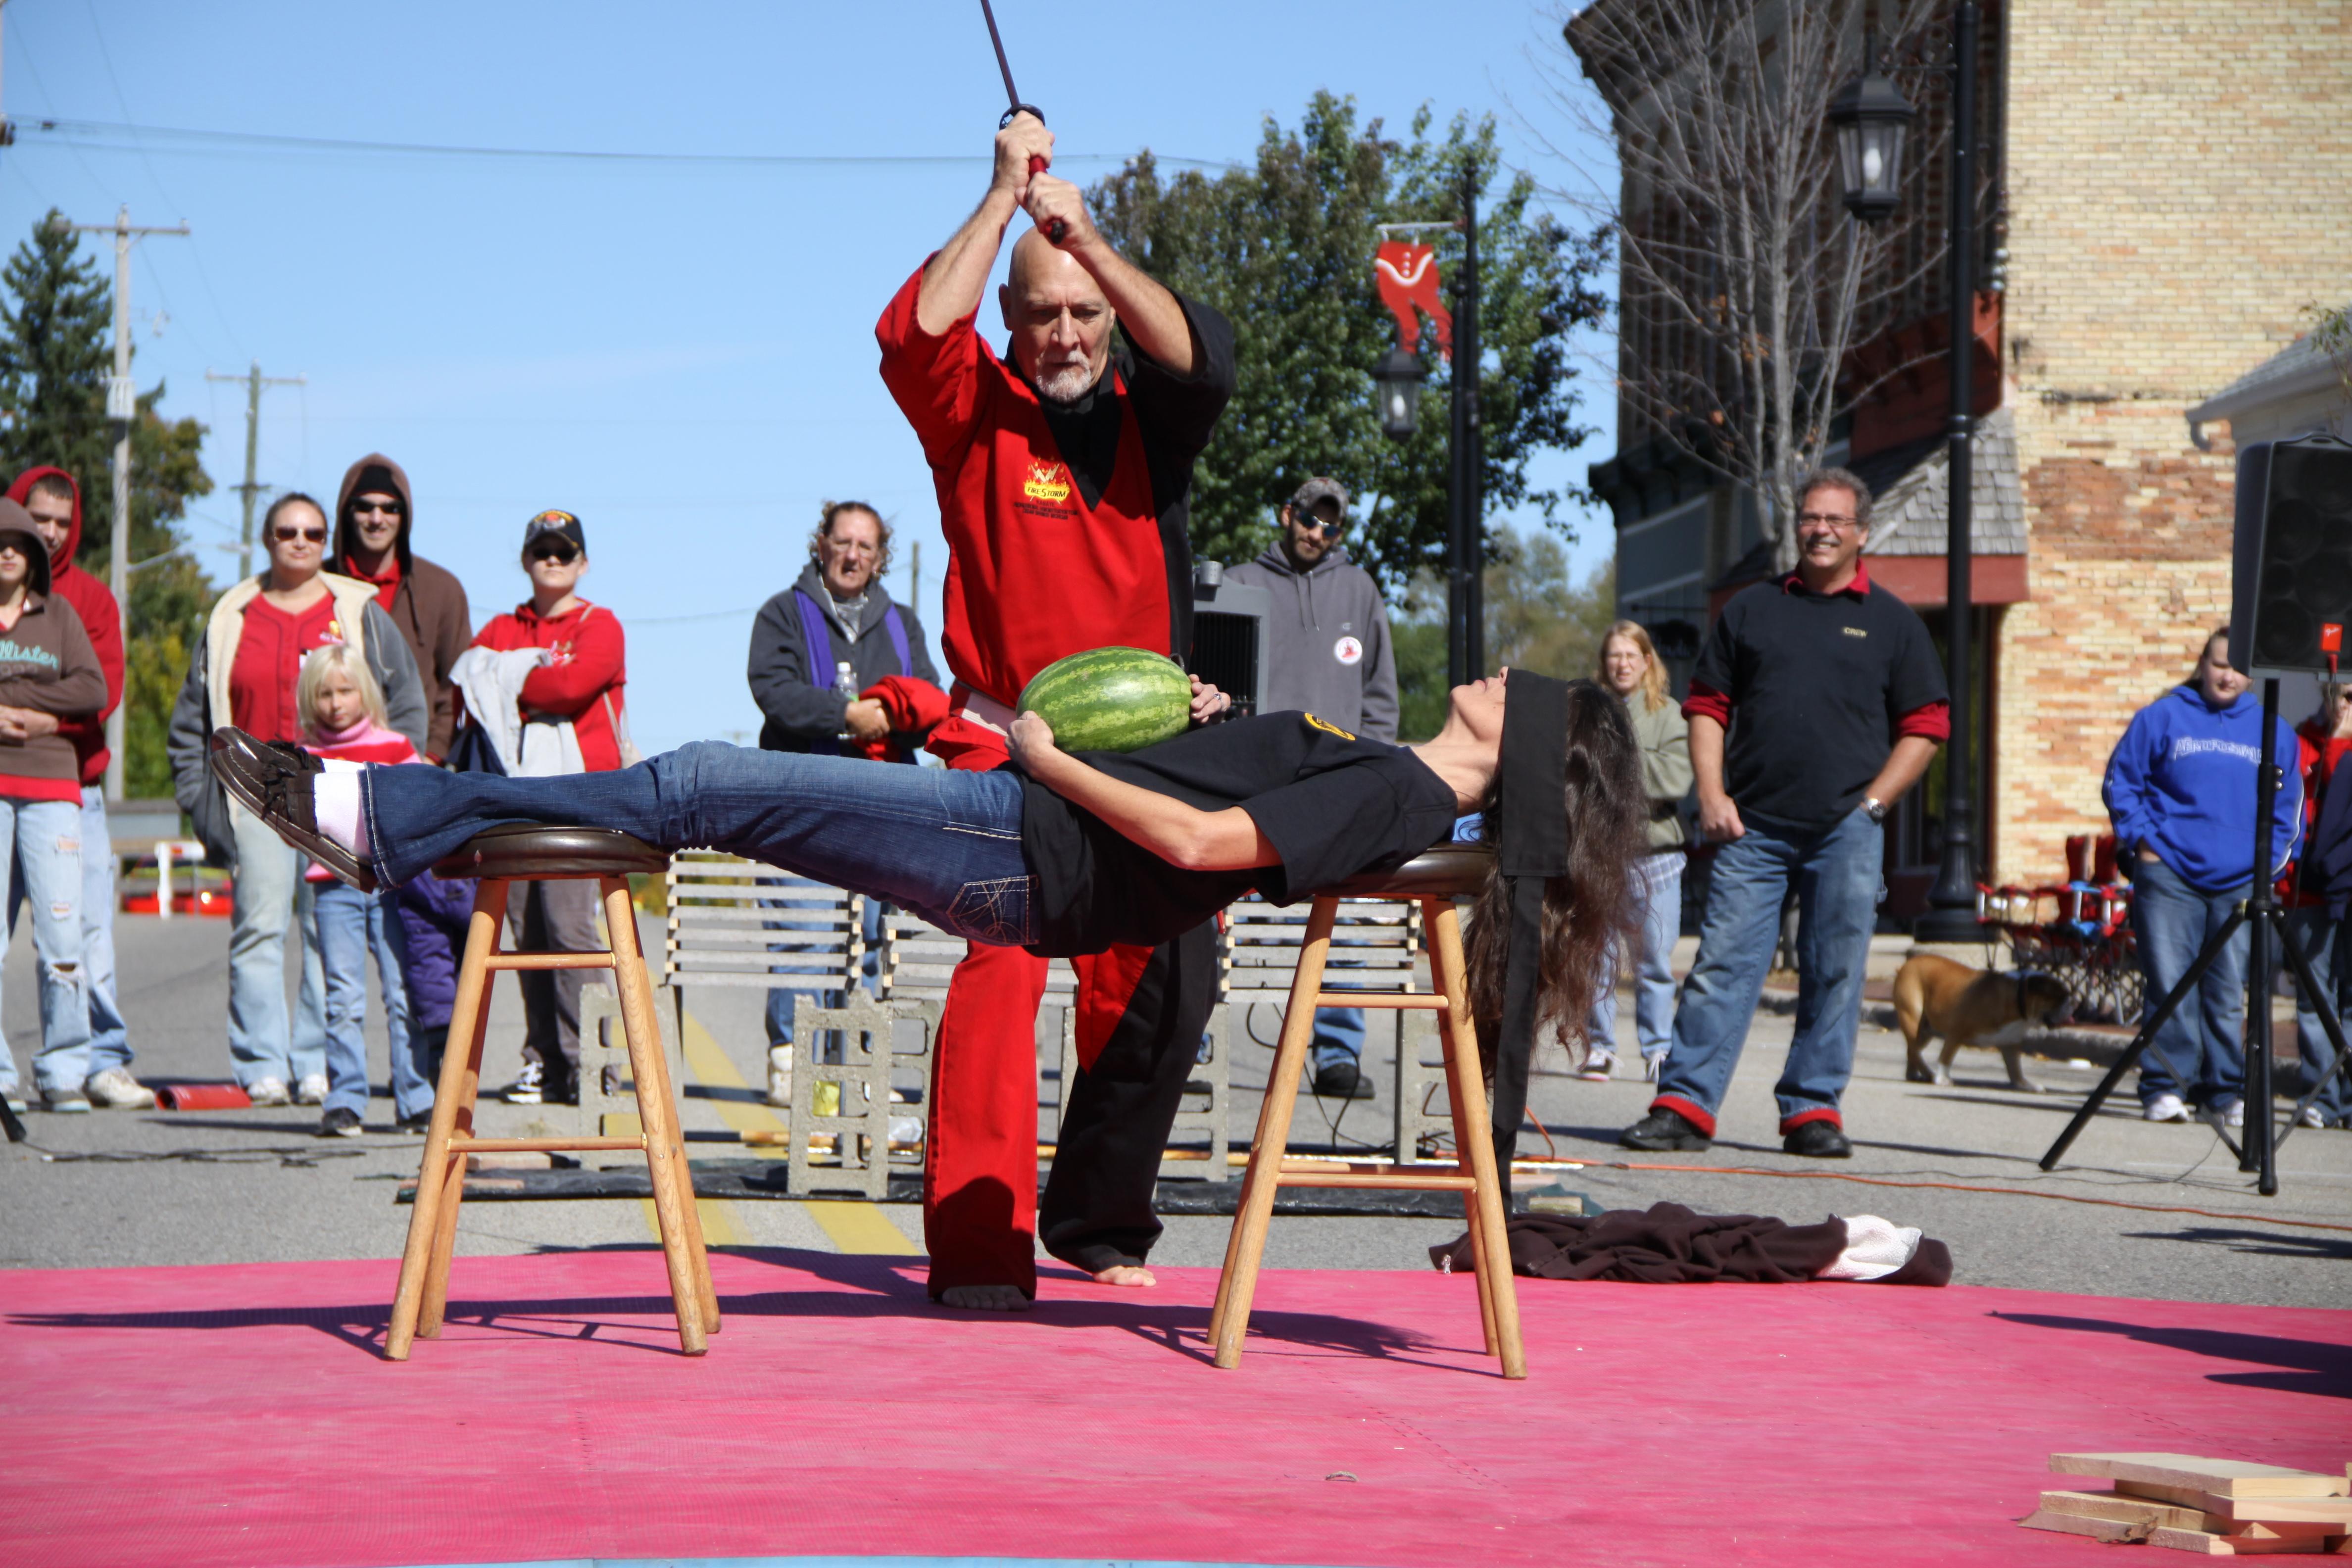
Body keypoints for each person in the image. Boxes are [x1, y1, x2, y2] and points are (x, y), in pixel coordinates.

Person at [212, 672, 1643, 1197]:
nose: (1504, 669)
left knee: (708, 783)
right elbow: (1227, 802)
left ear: (1521, 753)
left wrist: (1049, 757)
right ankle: (386, 815)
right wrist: (1203, 726)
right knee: (708, 794)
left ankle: (378, 816)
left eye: (1529, 686)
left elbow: (1207, 849)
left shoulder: (1397, 788)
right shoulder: (1386, 768)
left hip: (1025, 846)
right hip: (1026, 843)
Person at [876, 109, 1238, 1308]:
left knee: (1169, 969)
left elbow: (1202, 357)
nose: (1067, 329)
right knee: (1002, 964)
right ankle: (980, 1248)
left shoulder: (1154, 423)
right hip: (1003, 738)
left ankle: (1094, 1215)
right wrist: (1000, 200)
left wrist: (1083, 235)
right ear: (1013, 323)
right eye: (1042, 309)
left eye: (1084, 308)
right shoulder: (972, 410)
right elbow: (914, 332)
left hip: (1142, 748)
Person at [1620, 469, 1948, 1159]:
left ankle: (1812, 1110)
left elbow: (1926, 725)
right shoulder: (1752, 611)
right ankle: (1683, 1105)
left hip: (1846, 834)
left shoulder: (1892, 623)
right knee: (1721, 968)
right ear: (1798, 525)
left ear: (1861, 533)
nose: (1821, 530)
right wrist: (1712, 798)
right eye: (1810, 518)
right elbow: (1706, 707)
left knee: (1836, 971)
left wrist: (1874, 804)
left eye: (1836, 520)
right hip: (1755, 829)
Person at [165, 493, 427, 1105]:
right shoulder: (234, 613)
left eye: (313, 531)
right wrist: (206, 807)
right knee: (258, 928)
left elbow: (406, 700)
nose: (301, 541)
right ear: (267, 538)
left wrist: (390, 789)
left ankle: (315, 1064)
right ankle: (262, 1062)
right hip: (255, 797)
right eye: (287, 531)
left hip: (333, 794)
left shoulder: (357, 610)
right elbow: (191, 721)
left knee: (322, 931)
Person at [746, 499, 946, 1094]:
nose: (853, 554)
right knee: (808, 937)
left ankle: (861, 1071)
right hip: (800, 801)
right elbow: (774, 692)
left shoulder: (902, 622)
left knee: (871, 941)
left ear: (881, 557)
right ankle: (796, 1065)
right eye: (843, 542)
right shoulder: (782, 613)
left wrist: (889, 716)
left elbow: (930, 698)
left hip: (884, 807)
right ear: (821, 545)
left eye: (866, 546)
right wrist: (846, 714)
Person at [1225, 476, 1400, 1099]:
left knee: (1340, 919)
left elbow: (1381, 694)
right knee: (1212, 905)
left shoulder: (1360, 589)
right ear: (1287, 514)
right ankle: (1191, 1047)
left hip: (1335, 780)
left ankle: (1337, 1054)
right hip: (1254, 777)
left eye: (1331, 526)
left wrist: (1370, 763)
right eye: (1308, 519)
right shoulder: (1241, 582)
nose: (1317, 533)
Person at [465, 509, 634, 1107]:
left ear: (583, 563)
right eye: (543, 551)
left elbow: (569, 688)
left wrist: (511, 680)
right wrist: (527, 674)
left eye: (565, 552)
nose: (553, 561)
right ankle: (545, 1061)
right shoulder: (500, 625)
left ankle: (592, 1061)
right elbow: (470, 682)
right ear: (526, 560)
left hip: (579, 797)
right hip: (511, 797)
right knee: (525, 929)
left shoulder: (600, 625)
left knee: (569, 928)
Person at [2102, 626, 2301, 1127]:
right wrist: (2142, 840)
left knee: (2227, 989)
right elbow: (2122, 781)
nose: (2227, 675)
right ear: (2201, 665)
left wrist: (2268, 865)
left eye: (2236, 668)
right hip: (2169, 874)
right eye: (2217, 664)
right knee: (2170, 984)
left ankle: (2224, 1090)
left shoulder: (2274, 730)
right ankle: (2166, 1086)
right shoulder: (2164, 716)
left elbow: (2288, 809)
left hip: (2239, 881)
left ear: (2251, 675)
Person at [6, 466, 145, 1109]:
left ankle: (95, 1061)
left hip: (72, 786)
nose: (51, 533)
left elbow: (101, 689)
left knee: (79, 932)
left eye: (63, 521)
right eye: (39, 518)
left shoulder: (83, 601)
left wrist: (45, 716)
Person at [0, 501, 107, 1112]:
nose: (9, 551)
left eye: (21, 543)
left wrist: (40, 713)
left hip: (52, 790)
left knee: (63, 930)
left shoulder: (57, 613)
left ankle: (64, 1068)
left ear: (35, 559)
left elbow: (92, 688)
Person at [294, 644, 423, 1137]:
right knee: (342, 997)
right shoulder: (304, 756)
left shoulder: (394, 747)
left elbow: (419, 802)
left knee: (401, 991)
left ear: (365, 692)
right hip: (332, 886)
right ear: (311, 698)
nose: (335, 703)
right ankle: (346, 1098)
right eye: (324, 693)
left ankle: (415, 1098)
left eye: (346, 690)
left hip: (391, 886)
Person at [1581, 621, 1692, 1083]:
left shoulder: (1670, 714)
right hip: (1599, 854)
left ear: (1648, 662)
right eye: (1614, 656)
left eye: (1631, 655)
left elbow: (1676, 780)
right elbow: (1576, 778)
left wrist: (1616, 764)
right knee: (1596, 957)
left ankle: (1659, 1049)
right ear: (1604, 664)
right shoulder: (1589, 715)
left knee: (1654, 962)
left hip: (1656, 858)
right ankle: (1601, 1049)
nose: (1622, 664)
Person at [332, 454, 472, 763]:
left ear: (405, 514)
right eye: (365, 507)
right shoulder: (320, 586)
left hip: (413, 765)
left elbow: (458, 686)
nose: (377, 518)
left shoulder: (441, 589)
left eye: (390, 508)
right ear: (347, 512)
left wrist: (430, 756)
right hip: (329, 763)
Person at [2280, 682, 2352, 1131]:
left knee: (2350, 1000)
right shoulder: (2299, 740)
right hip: (2307, 889)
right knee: (2314, 999)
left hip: (2348, 888)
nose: (2346, 705)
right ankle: (2320, 1097)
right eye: (2342, 694)